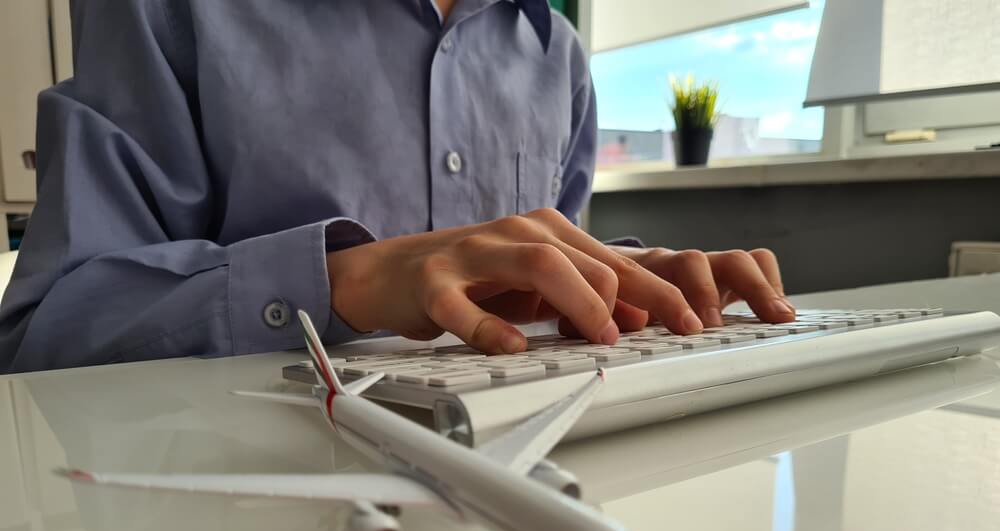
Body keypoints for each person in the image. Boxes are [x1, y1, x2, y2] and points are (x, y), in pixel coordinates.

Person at [0, 0, 795, 373]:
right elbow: (39, 339)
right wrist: (345, 281)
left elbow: (529, 293)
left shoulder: (559, 57)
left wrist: (616, 287)